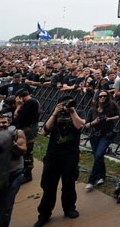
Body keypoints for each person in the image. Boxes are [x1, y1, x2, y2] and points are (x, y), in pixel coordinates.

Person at [34, 95, 86, 227]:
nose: (67, 105)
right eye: (64, 103)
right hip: (53, 154)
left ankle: (69, 208)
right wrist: (55, 113)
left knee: (69, 184)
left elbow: (80, 126)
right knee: (49, 186)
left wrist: (72, 111)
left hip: (70, 154)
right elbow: (44, 132)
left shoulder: (78, 112)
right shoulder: (55, 114)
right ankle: (44, 214)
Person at [0, 112, 27, 227]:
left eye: (4, 122)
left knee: (6, 208)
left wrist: (12, 143)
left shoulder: (18, 133)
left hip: (14, 175)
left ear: (9, 123)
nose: (1, 125)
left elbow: (23, 150)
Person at [84, 89, 120, 189]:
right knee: (98, 157)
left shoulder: (112, 107)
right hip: (94, 135)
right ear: (97, 98)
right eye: (100, 96)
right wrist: (94, 122)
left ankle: (91, 180)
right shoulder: (92, 110)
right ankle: (101, 176)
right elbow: (86, 125)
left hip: (106, 135)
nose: (102, 98)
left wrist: (110, 119)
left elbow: (118, 116)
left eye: (104, 96)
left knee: (99, 154)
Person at [12, 85, 40, 184]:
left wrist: (19, 105)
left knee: (27, 150)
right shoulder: (34, 101)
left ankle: (28, 174)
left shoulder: (29, 103)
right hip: (30, 127)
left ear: (20, 97)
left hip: (28, 129)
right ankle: (24, 170)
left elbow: (16, 114)